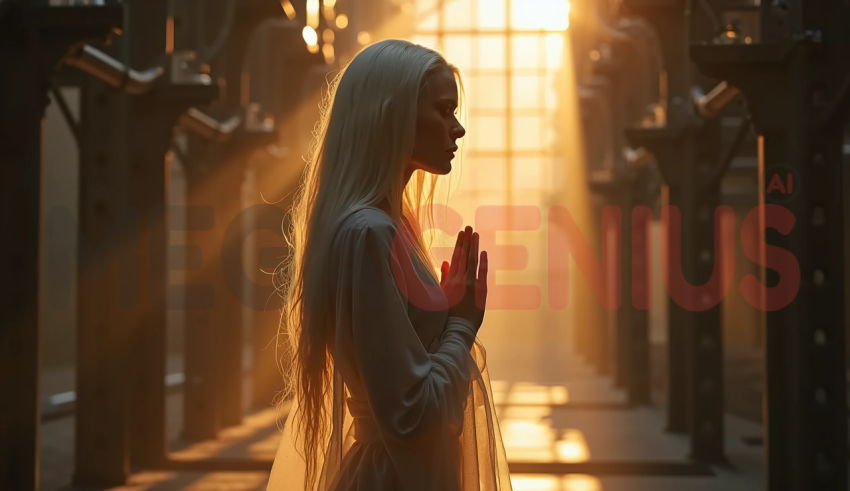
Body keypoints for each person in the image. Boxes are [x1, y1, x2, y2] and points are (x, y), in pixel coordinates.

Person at [266, 39, 512, 490]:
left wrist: (446, 315)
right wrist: (460, 323)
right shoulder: (368, 234)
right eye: (443, 111)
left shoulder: (390, 229)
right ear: (390, 114)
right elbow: (412, 414)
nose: (457, 129)